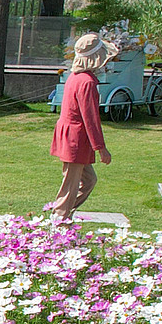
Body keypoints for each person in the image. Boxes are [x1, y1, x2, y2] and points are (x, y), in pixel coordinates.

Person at [49, 32, 112, 221]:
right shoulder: (86, 82)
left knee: (89, 180)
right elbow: (90, 118)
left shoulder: (77, 78)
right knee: (71, 183)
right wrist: (101, 148)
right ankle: (59, 218)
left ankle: (62, 212)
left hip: (72, 136)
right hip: (75, 138)